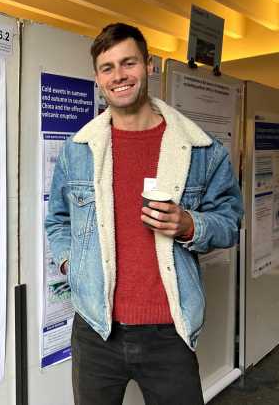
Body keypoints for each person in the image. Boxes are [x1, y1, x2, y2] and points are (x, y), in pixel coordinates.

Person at [45, 23, 243, 405]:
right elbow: (58, 220)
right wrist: (73, 263)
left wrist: (190, 224)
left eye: (128, 63)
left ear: (148, 66)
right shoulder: (78, 150)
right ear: (98, 77)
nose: (119, 75)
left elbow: (231, 221)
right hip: (96, 329)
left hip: (169, 331)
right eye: (108, 67)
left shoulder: (200, 149)